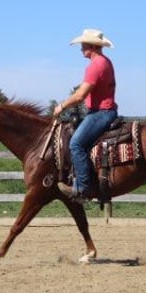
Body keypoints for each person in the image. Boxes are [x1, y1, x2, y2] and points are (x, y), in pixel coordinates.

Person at [53, 28, 118, 201]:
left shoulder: (95, 66)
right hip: (105, 111)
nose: (81, 49)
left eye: (83, 45)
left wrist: (62, 106)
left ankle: (82, 187)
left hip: (101, 113)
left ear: (92, 46)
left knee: (75, 144)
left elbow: (80, 95)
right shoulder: (106, 62)